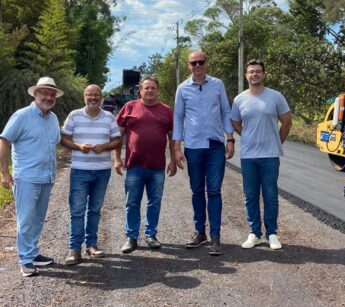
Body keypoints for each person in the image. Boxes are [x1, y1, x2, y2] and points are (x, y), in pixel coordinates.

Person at [173, 50, 234, 256]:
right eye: (193, 63)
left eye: (201, 62)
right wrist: (177, 147)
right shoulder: (182, 89)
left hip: (215, 144)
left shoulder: (217, 84)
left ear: (206, 63)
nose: (197, 65)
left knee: (214, 190)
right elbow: (178, 118)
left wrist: (230, 138)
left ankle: (215, 236)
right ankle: (200, 232)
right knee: (197, 190)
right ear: (189, 66)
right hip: (193, 146)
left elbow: (226, 111)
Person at [0, 77, 63, 277]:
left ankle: (34, 253)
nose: (48, 97)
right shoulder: (22, 116)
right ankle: (25, 260)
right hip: (26, 177)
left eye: (52, 94)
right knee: (26, 219)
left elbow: (56, 143)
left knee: (38, 219)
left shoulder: (53, 118)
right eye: (44, 93)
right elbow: (4, 141)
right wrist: (4, 173)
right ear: (35, 94)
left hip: (47, 176)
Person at [230, 60, 292, 250]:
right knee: (250, 195)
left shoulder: (276, 97)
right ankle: (254, 233)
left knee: (270, 194)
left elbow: (287, 122)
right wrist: (247, 136)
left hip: (270, 155)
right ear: (246, 75)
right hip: (248, 156)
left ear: (264, 74)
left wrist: (276, 141)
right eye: (251, 72)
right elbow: (234, 122)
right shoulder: (239, 99)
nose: (254, 74)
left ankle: (272, 233)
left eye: (258, 71)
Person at [114, 76, 176, 253]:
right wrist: (117, 159)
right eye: (146, 88)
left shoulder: (166, 110)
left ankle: (151, 235)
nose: (150, 91)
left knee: (154, 202)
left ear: (158, 90)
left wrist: (172, 160)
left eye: (153, 88)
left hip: (157, 166)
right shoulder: (129, 107)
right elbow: (117, 136)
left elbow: (173, 139)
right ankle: (131, 237)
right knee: (132, 202)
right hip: (134, 166)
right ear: (140, 90)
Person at [61, 85, 122, 265]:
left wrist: (105, 146)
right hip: (80, 170)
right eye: (89, 95)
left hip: (102, 170)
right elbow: (64, 138)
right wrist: (78, 146)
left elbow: (118, 140)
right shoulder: (74, 115)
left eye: (96, 95)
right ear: (84, 97)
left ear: (101, 97)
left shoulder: (109, 117)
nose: (93, 98)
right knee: (77, 210)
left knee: (95, 210)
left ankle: (92, 245)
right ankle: (74, 249)